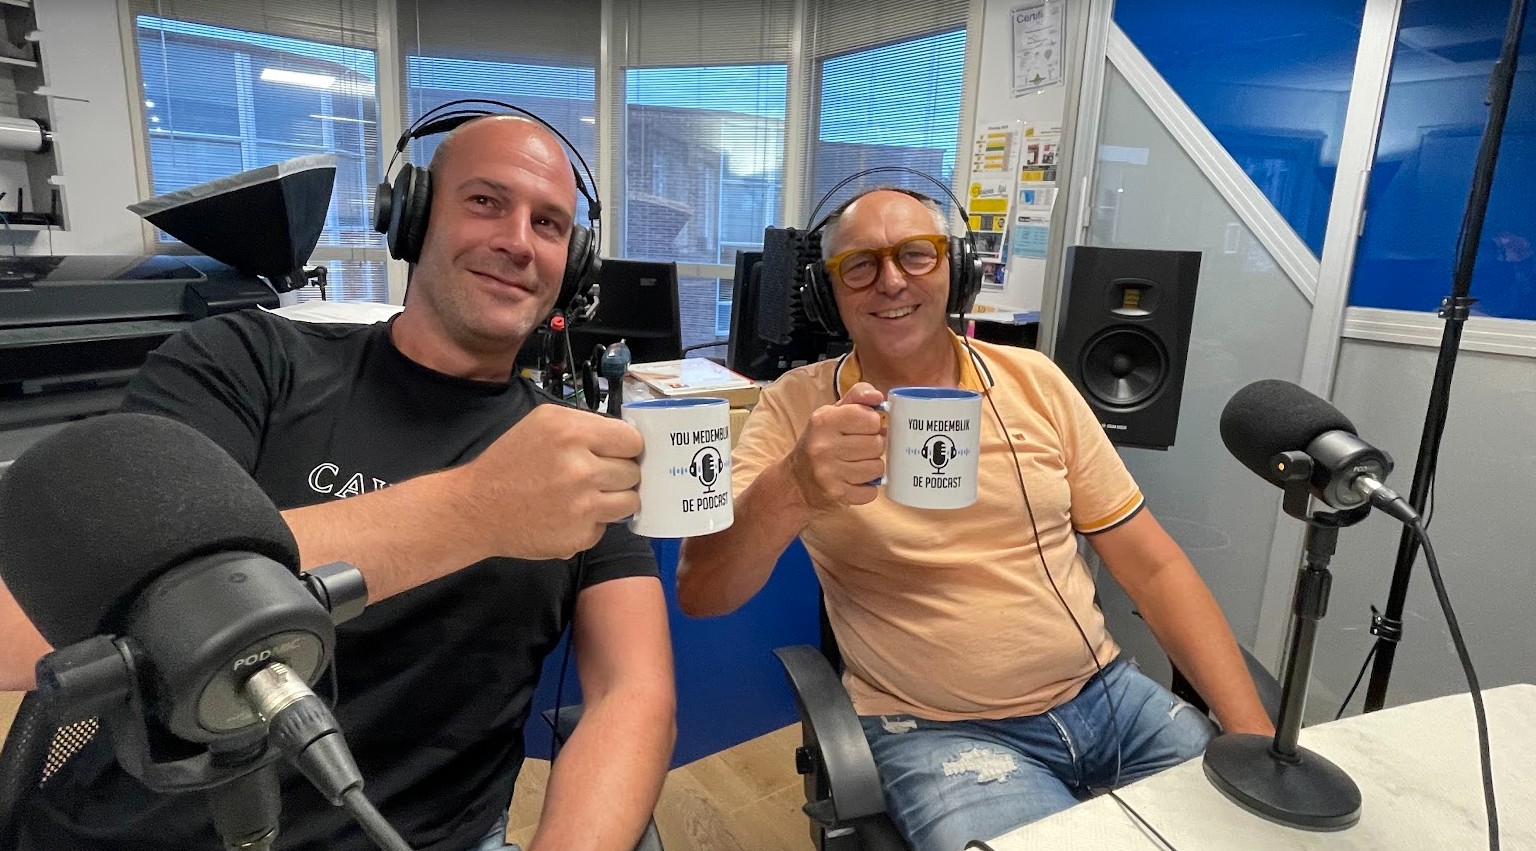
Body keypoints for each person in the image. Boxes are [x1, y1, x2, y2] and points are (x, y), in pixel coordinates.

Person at [0, 115, 675, 851]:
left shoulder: (576, 460)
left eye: (548, 224)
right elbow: (17, 630)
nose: (518, 241)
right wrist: (468, 511)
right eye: (485, 202)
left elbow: (632, 692)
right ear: (412, 217)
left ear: (573, 263)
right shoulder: (250, 363)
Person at [677, 188, 1274, 851]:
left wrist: (1252, 737)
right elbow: (702, 591)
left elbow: (1154, 567)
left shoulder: (1037, 382)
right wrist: (794, 485)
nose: (892, 281)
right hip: (936, 732)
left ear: (957, 269)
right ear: (828, 294)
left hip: (1107, 696)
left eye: (916, 254)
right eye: (860, 265)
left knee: (1250, 832)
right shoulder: (796, 408)